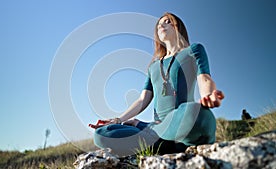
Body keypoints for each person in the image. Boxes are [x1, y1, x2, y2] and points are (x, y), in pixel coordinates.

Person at [89, 12, 224, 156]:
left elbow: (204, 78)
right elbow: (143, 99)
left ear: (177, 26)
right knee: (102, 133)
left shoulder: (193, 50)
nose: (161, 25)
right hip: (157, 130)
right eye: (159, 24)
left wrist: (208, 96)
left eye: (167, 21)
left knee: (198, 115)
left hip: (181, 122)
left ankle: (147, 129)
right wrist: (118, 119)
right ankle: (157, 138)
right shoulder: (153, 66)